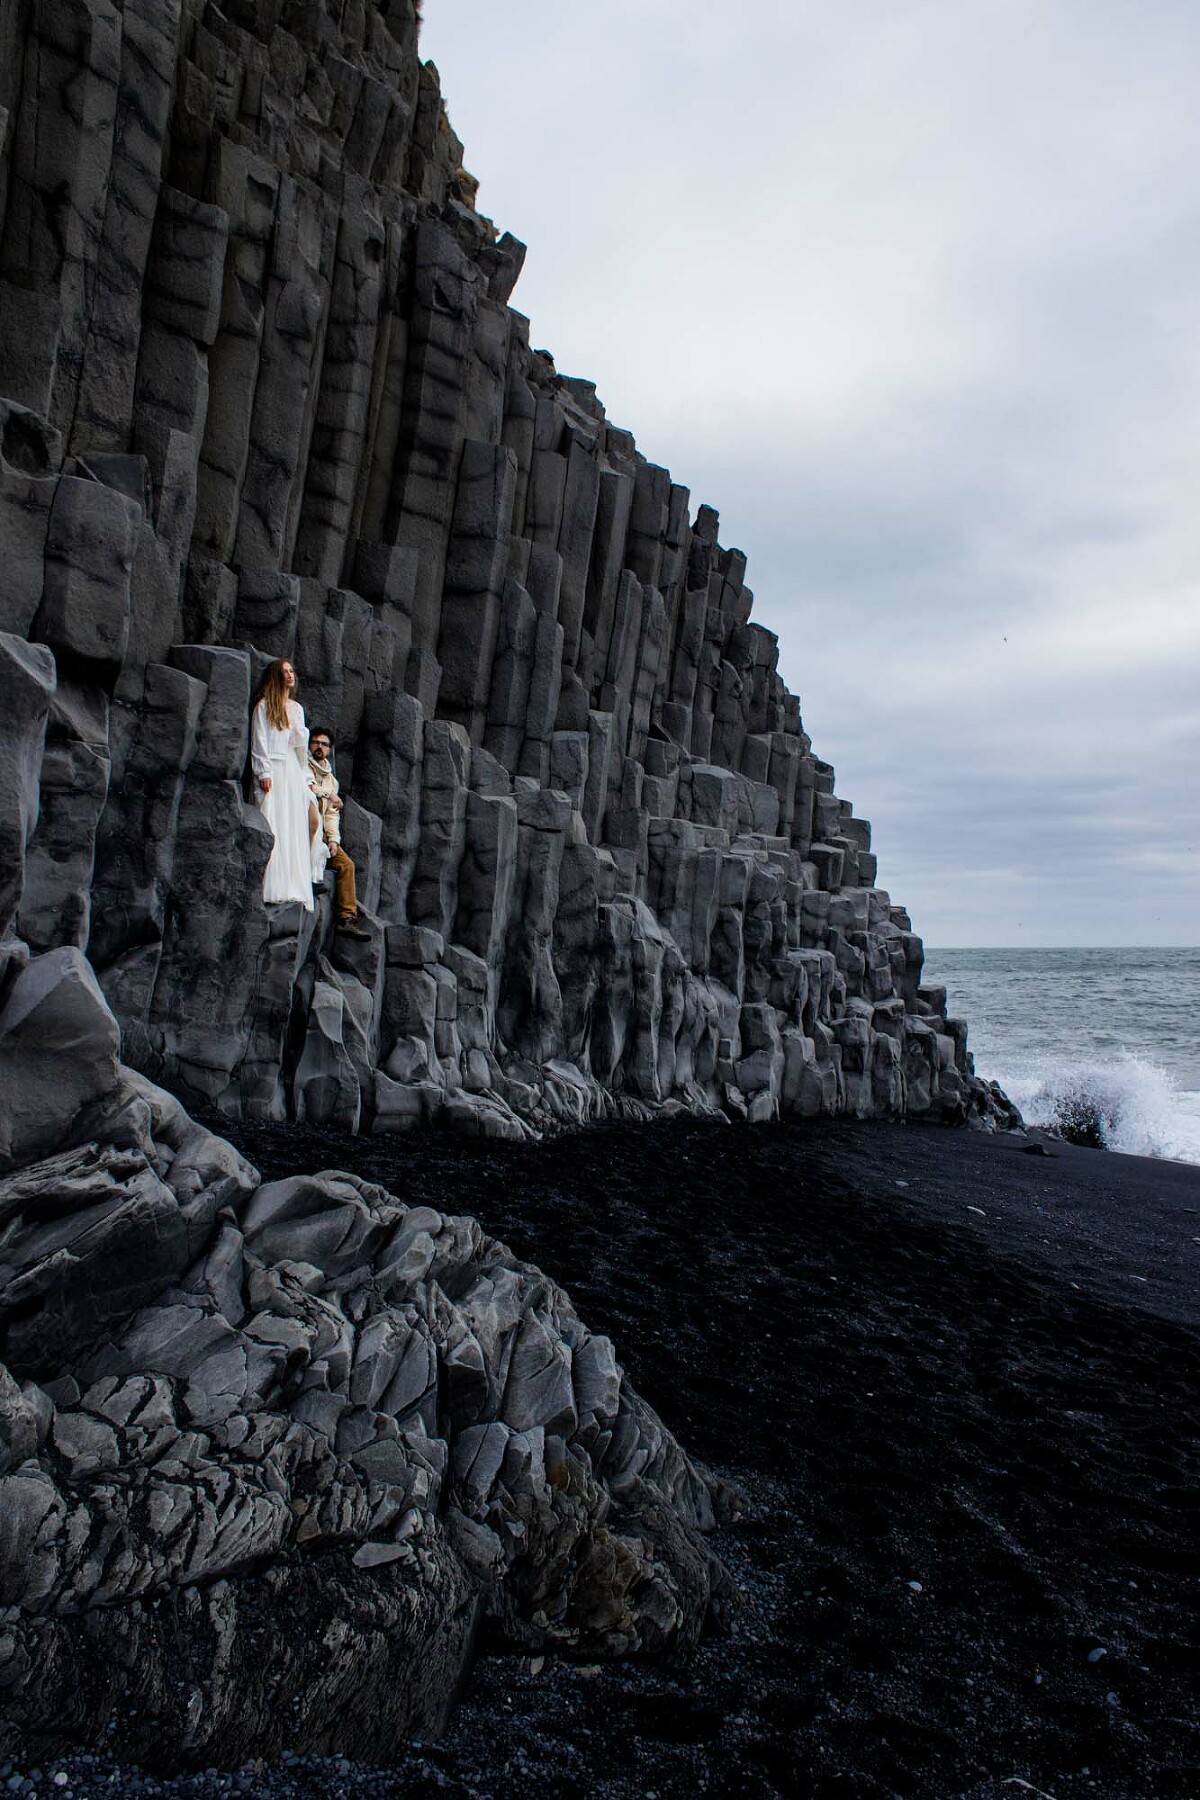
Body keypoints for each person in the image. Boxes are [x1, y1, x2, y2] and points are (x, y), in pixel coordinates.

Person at [250, 658, 318, 910]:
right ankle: (270, 884)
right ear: (276, 676)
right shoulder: (264, 706)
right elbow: (259, 740)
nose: (290, 675)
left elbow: (300, 749)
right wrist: (263, 771)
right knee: (274, 821)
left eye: (291, 671)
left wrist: (307, 778)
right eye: (285, 672)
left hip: (292, 770)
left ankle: (292, 884)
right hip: (274, 767)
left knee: (294, 825)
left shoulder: (297, 709)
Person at [308, 728, 369, 939]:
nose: (319, 747)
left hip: (324, 833)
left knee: (347, 865)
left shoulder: (331, 780)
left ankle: (346, 919)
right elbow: (308, 788)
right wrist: (329, 794)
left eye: (324, 744)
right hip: (306, 828)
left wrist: (334, 840)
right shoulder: (304, 766)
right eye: (315, 742)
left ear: (330, 749)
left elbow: (332, 815)